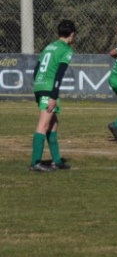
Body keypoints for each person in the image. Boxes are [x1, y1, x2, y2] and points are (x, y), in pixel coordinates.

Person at [29, 20, 77, 172]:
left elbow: (36, 69)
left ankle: (57, 161)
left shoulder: (49, 46)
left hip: (40, 85)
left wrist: (38, 87)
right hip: (49, 88)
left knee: (53, 123)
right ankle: (35, 162)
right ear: (72, 34)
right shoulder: (66, 50)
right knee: (43, 124)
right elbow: (59, 74)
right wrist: (53, 96)